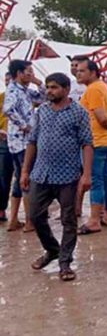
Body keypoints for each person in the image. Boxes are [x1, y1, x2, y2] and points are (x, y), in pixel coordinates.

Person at [21, 73, 93, 281]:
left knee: (68, 220)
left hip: (68, 175)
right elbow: (32, 141)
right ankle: (52, 250)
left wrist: (86, 175)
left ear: (66, 89)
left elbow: (87, 144)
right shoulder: (42, 110)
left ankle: (65, 263)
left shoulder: (78, 112)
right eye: (48, 87)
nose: (49, 91)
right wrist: (25, 171)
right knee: (34, 215)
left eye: (54, 88)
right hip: (41, 174)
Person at [76, 60, 107, 234]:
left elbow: (102, 117)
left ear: (94, 72)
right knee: (106, 178)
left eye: (82, 70)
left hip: (95, 141)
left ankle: (94, 219)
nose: (78, 73)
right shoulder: (104, 87)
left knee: (96, 180)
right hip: (106, 142)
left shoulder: (93, 89)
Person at [3, 60, 45, 232]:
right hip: (21, 141)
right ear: (19, 73)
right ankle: (29, 221)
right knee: (27, 178)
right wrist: (24, 126)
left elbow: (43, 97)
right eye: (29, 72)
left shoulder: (25, 91)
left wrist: (38, 83)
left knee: (20, 179)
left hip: (20, 141)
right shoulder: (14, 90)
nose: (31, 74)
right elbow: (8, 110)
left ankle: (14, 220)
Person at [0, 73, 11, 224]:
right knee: (3, 177)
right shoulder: (1, 97)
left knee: (26, 178)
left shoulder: (27, 96)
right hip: (3, 141)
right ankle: (1, 209)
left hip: (22, 142)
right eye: (7, 81)